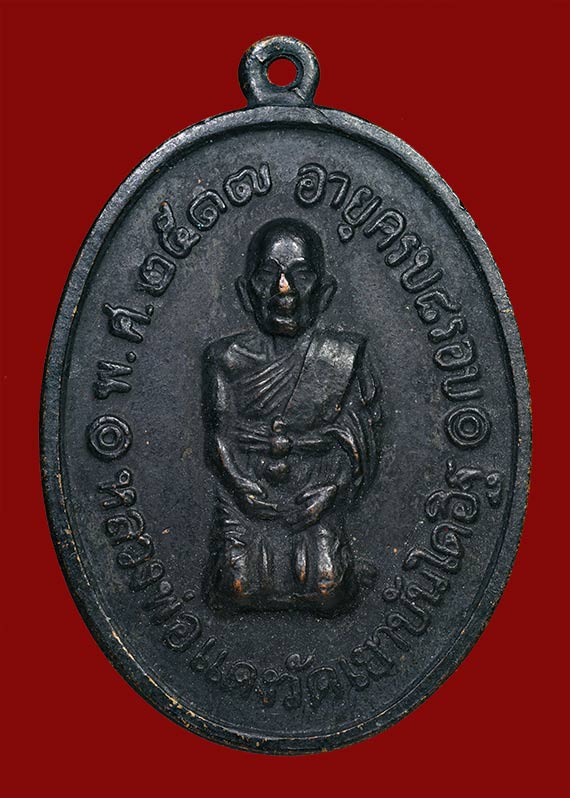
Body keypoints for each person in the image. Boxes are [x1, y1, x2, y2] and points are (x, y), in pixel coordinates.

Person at [202, 218, 381, 613]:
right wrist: (239, 486)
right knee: (236, 589)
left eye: (301, 275)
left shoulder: (343, 357)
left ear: (325, 292)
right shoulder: (225, 359)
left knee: (327, 592)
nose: (284, 290)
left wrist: (331, 491)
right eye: (268, 275)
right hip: (247, 496)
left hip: (315, 495)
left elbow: (359, 441)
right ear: (245, 293)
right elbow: (218, 437)